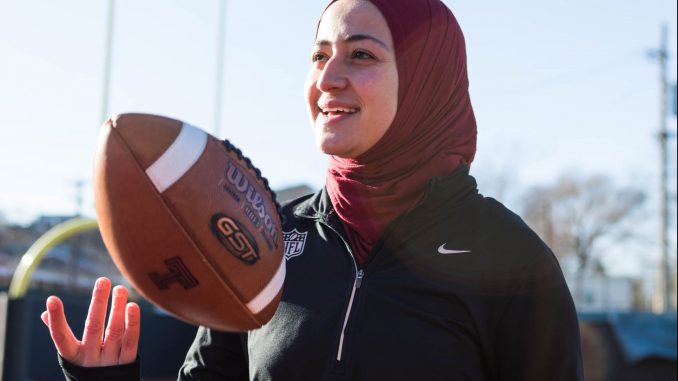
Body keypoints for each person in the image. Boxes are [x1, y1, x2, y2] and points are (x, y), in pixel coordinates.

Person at [42, 0, 584, 379]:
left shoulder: (511, 260)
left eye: (361, 55)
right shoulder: (266, 238)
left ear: (426, 81)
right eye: (319, 55)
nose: (327, 79)